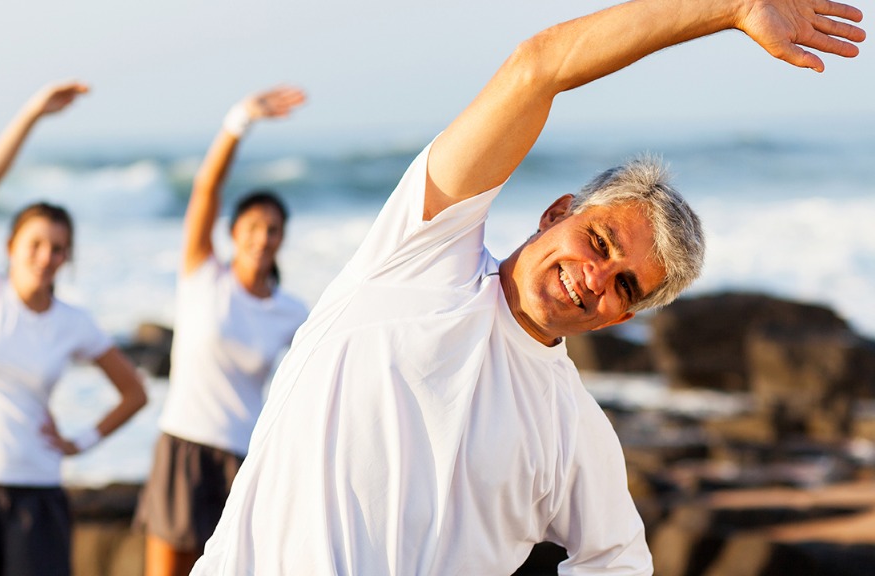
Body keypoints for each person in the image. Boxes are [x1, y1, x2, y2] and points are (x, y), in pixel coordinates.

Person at [190, 0, 866, 574]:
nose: (595, 278)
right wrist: (730, 8)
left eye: (625, 286)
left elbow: (619, 559)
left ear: (617, 319)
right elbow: (537, 68)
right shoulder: (418, 254)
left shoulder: (571, 428)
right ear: (556, 214)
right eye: (598, 242)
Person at [0, 82, 148, 576]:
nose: (47, 257)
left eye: (59, 248)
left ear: (68, 257)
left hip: (38, 494)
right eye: (36, 244)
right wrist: (32, 114)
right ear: (11, 245)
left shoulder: (74, 323)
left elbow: (134, 392)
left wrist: (79, 441)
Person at [135, 86, 310, 576]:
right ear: (233, 232)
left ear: (282, 240)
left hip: (242, 457)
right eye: (253, 226)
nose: (262, 238)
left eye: (273, 230)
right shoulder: (201, 277)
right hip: (182, 445)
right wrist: (240, 121)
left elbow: (320, 374)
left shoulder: (290, 310)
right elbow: (205, 191)